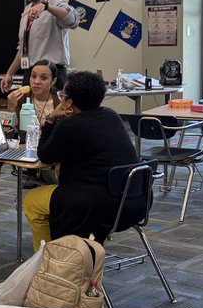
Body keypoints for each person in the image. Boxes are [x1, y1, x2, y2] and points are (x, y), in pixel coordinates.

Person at [22, 70, 141, 251]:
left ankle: (47, 258)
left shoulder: (71, 125)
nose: (61, 98)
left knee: (32, 201)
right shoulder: (112, 116)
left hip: (95, 206)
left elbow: (45, 155)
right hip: (134, 200)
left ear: (69, 101)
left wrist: (51, 118)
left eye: (63, 95)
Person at [2, 0, 78, 92]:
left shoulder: (55, 3)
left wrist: (47, 7)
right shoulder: (27, 10)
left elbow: (74, 20)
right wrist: (9, 73)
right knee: (27, 110)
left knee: (51, 111)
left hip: (52, 74)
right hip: (30, 73)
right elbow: (23, 48)